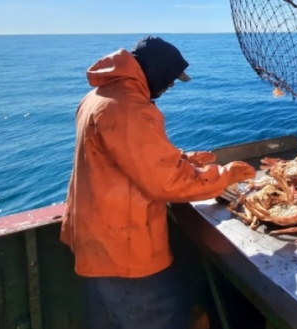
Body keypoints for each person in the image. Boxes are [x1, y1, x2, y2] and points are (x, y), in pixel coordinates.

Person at [60, 36, 256, 329]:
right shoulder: (129, 108)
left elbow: (127, 158)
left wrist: (183, 159)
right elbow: (167, 183)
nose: (171, 86)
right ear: (157, 70)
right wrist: (226, 175)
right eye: (170, 79)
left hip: (96, 240)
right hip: (127, 253)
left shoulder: (99, 97)